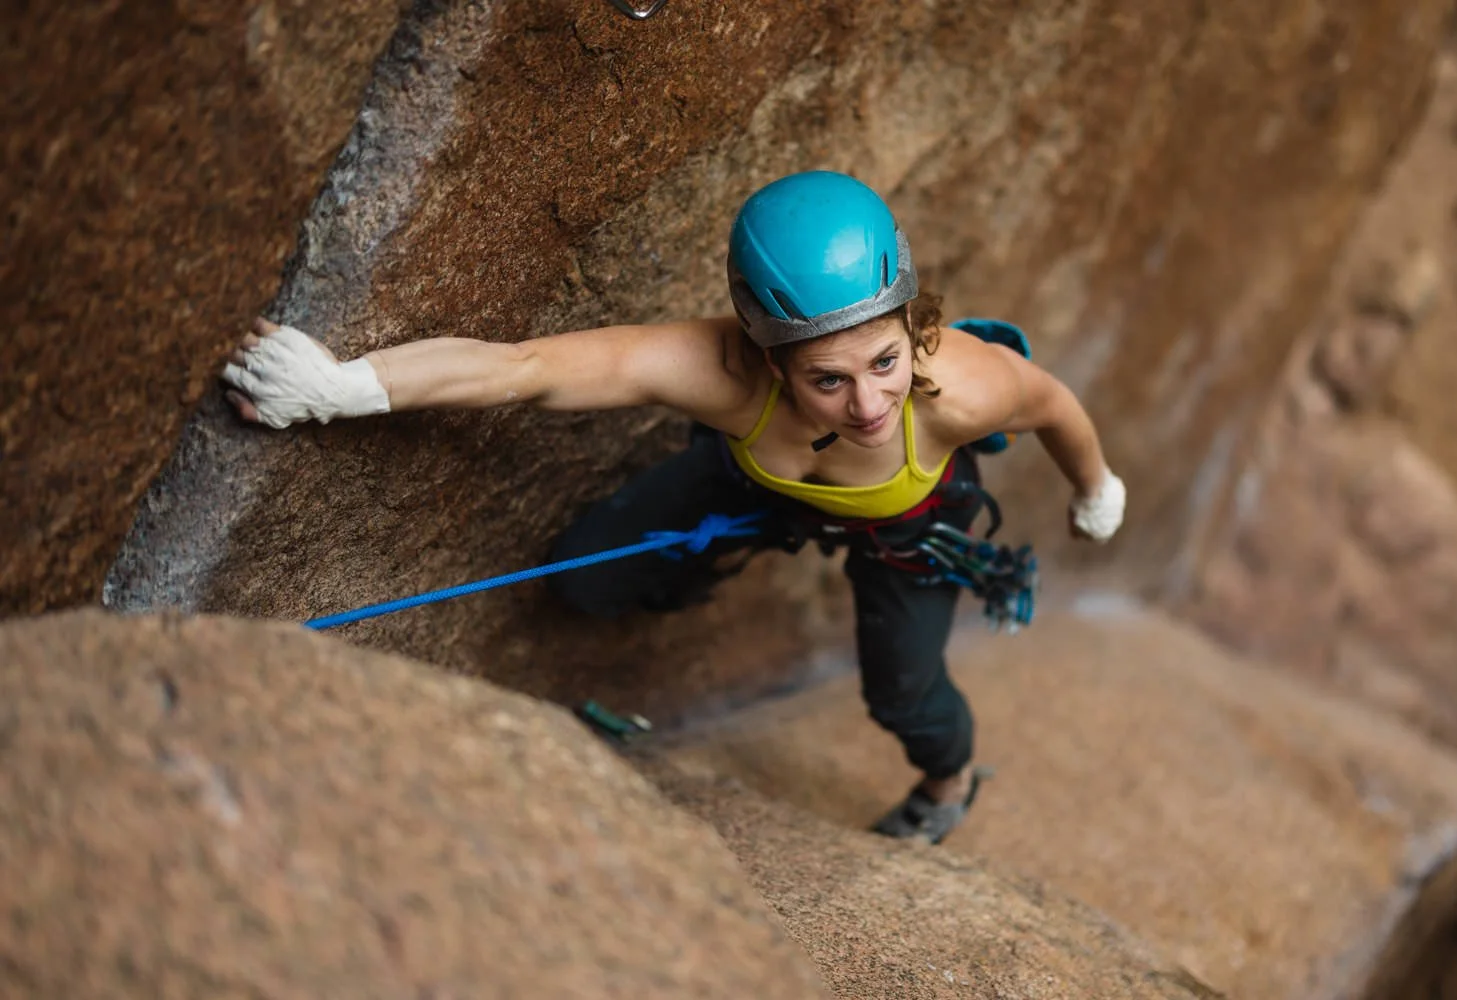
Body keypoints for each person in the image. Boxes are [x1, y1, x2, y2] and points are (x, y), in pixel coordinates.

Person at [221, 170, 1125, 844]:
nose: (866, 405)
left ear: (911, 328)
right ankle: (686, 574)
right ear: (769, 361)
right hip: (759, 484)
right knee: (594, 570)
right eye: (827, 378)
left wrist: (1097, 489)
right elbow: (526, 368)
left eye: (884, 361)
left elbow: (1050, 404)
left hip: (908, 525)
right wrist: (347, 386)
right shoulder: (720, 374)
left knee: (904, 691)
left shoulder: (955, 391)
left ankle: (949, 779)